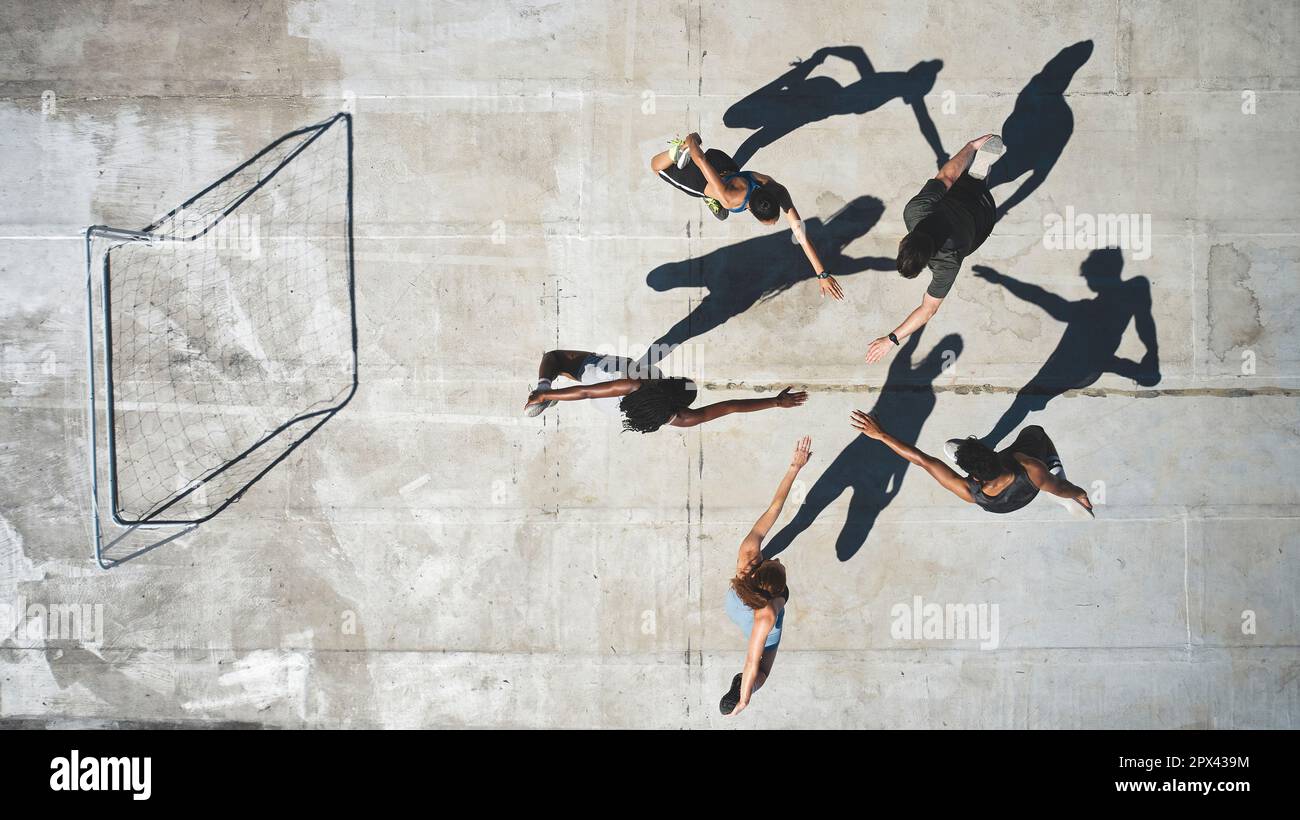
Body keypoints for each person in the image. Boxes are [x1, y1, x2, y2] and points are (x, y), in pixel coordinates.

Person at [649, 132, 844, 300]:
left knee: (720, 189)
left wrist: (821, 273)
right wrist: (692, 140)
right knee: (657, 168)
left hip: (723, 161)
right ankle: (680, 149)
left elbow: (799, 231)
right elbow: (700, 160)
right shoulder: (729, 197)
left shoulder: (773, 187)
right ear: (750, 210)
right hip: (702, 178)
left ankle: (709, 192)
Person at [865, 134, 1002, 364]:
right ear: (903, 242)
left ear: (928, 261)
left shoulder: (947, 265)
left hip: (984, 218)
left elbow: (928, 309)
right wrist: (971, 147)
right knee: (954, 184)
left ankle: (979, 181)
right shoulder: (915, 212)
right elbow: (947, 175)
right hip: (961, 196)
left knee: (972, 213)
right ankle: (975, 179)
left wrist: (891, 340)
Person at [848, 412, 1094, 518]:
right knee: (1035, 432)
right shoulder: (1030, 467)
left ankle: (967, 457)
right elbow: (1062, 488)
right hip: (1032, 485)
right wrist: (1077, 492)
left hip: (1001, 507)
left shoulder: (970, 492)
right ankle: (1057, 471)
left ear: (975, 477)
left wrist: (881, 435)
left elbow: (923, 460)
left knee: (951, 447)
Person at [720, 436, 811, 716]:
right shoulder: (769, 614)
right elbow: (751, 660)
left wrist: (794, 468)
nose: (779, 558)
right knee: (762, 672)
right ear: (775, 594)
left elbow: (774, 509)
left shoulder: (748, 556)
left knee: (755, 667)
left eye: (776, 562)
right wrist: (746, 696)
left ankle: (743, 687)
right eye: (779, 564)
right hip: (749, 616)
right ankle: (744, 687)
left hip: (736, 605)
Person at [524, 349, 807, 433]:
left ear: (665, 384)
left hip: (600, 375)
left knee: (557, 359)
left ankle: (545, 384)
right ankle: (551, 390)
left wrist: (545, 395)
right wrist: (775, 402)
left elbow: (585, 392)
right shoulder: (677, 418)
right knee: (588, 383)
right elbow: (731, 406)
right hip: (614, 411)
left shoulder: (637, 384)